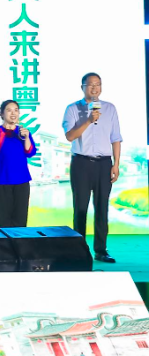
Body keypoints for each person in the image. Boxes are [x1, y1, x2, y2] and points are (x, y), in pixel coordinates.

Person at [63, 72, 122, 263]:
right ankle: (79, 250)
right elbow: (70, 136)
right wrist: (89, 120)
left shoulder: (110, 109)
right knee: (80, 207)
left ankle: (101, 250)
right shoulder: (73, 109)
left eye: (98, 84)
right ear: (83, 87)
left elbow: (116, 138)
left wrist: (116, 164)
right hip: (81, 163)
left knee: (102, 207)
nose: (95, 88)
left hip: (104, 163)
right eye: (90, 85)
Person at [0, 100, 36, 228]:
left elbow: (30, 152)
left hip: (22, 181)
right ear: (2, 114)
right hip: (1, 182)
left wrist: (26, 137)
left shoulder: (23, 132)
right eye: (9, 110)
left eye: (16, 110)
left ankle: (19, 241)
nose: (13, 113)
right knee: (3, 221)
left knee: (20, 220)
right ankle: (3, 242)